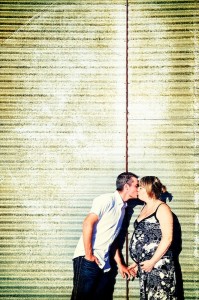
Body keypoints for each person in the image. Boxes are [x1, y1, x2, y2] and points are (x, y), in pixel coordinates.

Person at [71, 172, 139, 300]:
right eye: (136, 185)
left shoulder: (122, 208)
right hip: (89, 260)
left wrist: (120, 264)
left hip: (104, 264)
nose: (139, 189)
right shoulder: (107, 200)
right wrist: (89, 256)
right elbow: (87, 223)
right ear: (126, 187)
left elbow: (111, 239)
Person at [128, 176, 177, 300]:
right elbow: (146, 237)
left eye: (140, 187)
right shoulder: (144, 207)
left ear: (148, 189)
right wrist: (137, 262)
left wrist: (152, 261)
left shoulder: (162, 208)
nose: (137, 190)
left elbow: (168, 238)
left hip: (158, 266)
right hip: (147, 266)